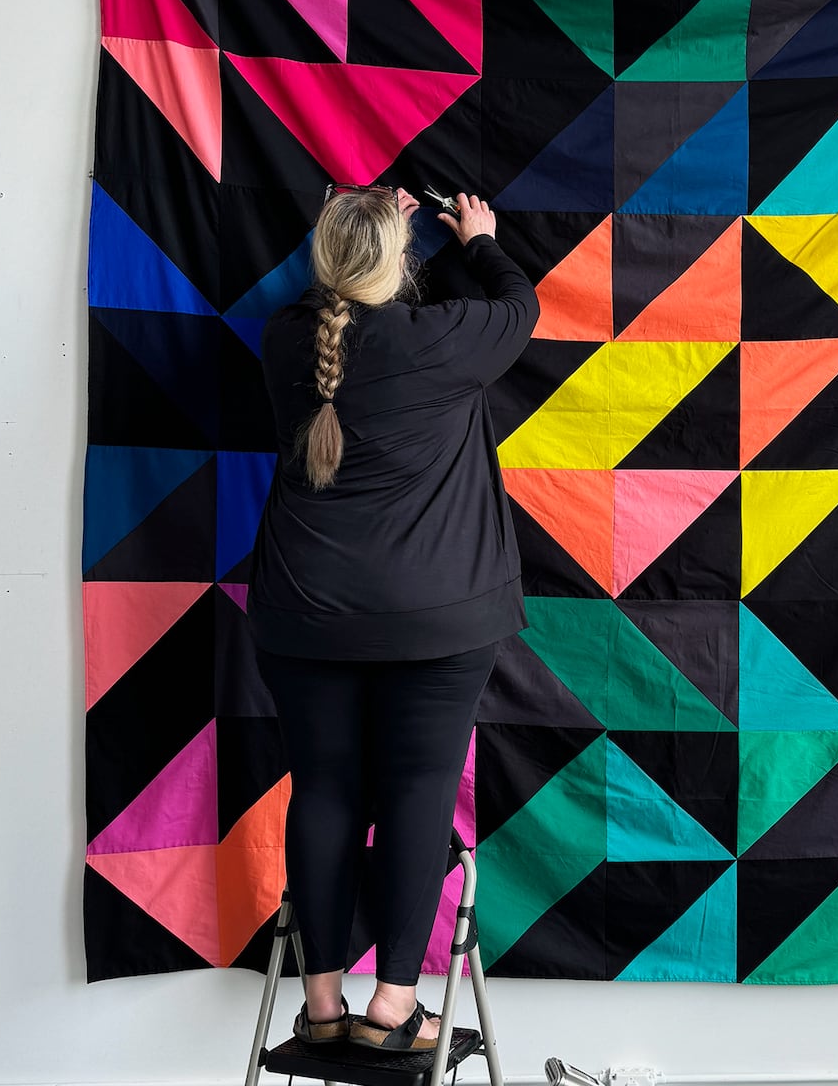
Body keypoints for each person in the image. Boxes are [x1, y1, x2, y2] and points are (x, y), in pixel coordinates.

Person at [247, 184, 538, 1053]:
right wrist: (480, 239)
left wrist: (358, 227)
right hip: (436, 622)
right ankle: (395, 1008)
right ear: (400, 265)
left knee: (325, 791)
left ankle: (325, 1007)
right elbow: (518, 308)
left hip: (303, 616)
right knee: (417, 796)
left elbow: (323, 305)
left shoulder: (285, 340)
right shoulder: (443, 337)